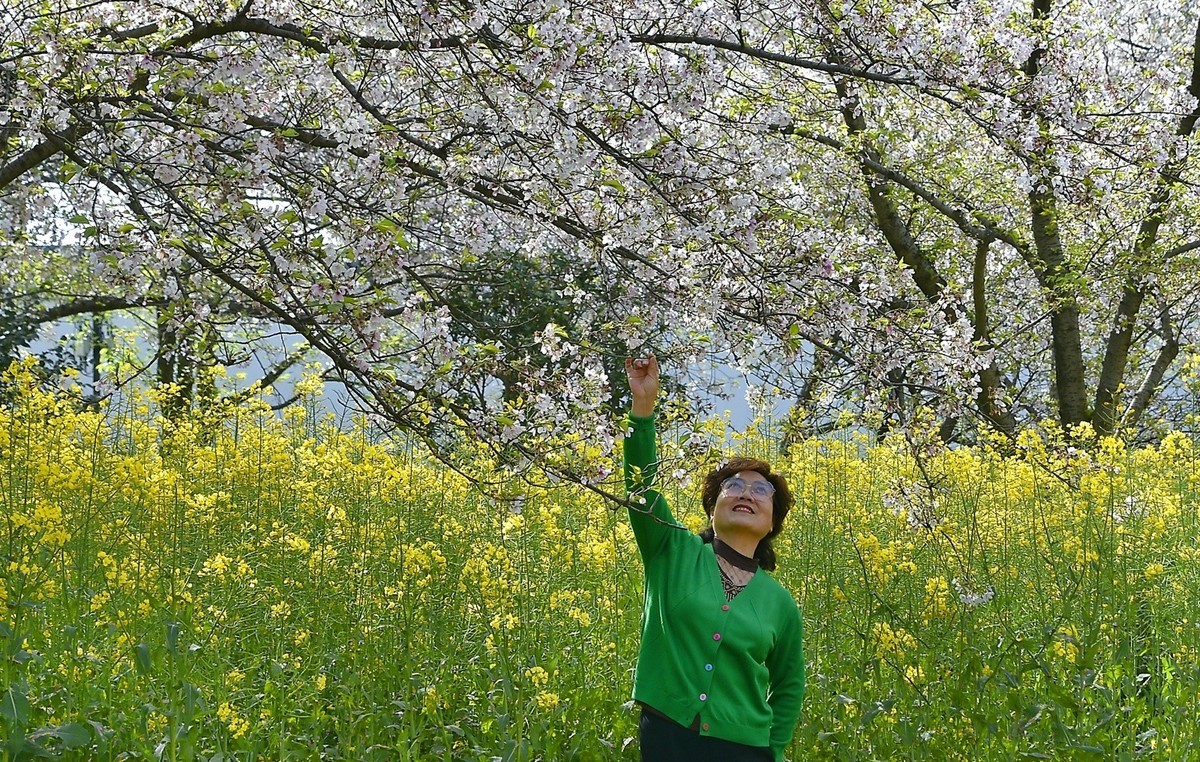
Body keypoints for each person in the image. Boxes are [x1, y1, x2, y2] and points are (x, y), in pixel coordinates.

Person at [623, 354, 805, 762]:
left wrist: (771, 752)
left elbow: (790, 685)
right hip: (668, 737)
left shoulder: (780, 603)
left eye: (762, 491)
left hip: (747, 749)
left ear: (774, 521)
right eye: (734, 485)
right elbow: (641, 487)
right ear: (712, 507)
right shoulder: (672, 551)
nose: (746, 493)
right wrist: (643, 408)